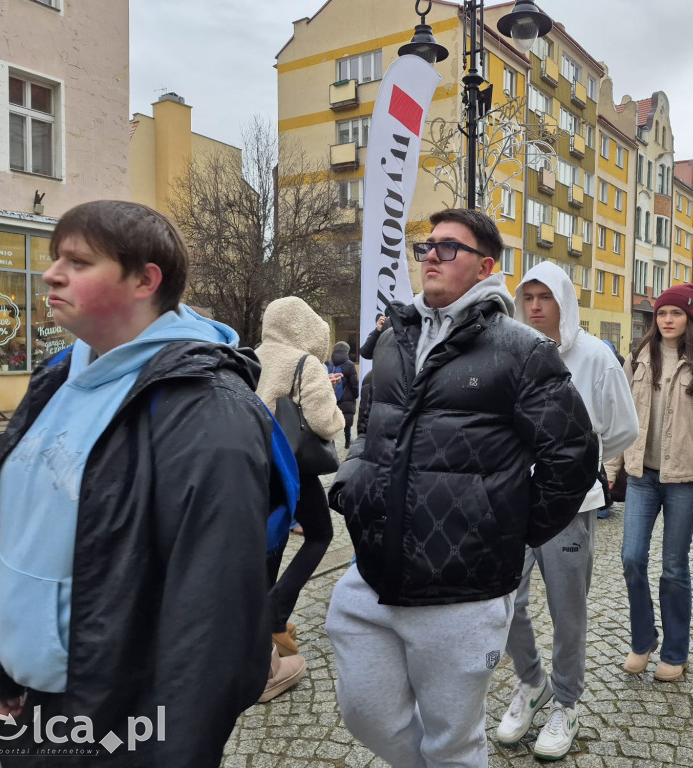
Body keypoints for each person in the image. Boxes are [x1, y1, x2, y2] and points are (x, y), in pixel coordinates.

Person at [0, 200, 270, 766]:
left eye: (78, 261)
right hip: (35, 699)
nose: (52, 273)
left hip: (117, 717)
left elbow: (214, 610)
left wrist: (174, 749)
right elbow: (20, 536)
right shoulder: (57, 375)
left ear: (145, 280)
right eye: (54, 258)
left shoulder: (205, 407)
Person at [325, 209, 598, 768]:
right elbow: (369, 427)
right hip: (373, 571)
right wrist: (353, 479)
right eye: (427, 245)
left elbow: (571, 456)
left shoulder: (522, 350)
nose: (430, 255)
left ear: (485, 267)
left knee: (453, 741)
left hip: (461, 591)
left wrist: (510, 531)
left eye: (449, 248)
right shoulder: (394, 342)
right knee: (363, 712)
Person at [495, 263, 637, 759]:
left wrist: (582, 462)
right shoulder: (508, 351)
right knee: (505, 600)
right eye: (527, 296)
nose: (535, 306)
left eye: (545, 297)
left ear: (564, 301)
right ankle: (532, 682)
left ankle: (567, 702)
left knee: (567, 609)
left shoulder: (595, 356)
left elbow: (622, 428)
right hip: (512, 499)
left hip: (571, 506)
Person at [607, 283, 693, 682]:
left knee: (674, 567)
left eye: (675, 313)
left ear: (690, 319)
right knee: (631, 558)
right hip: (642, 476)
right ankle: (643, 640)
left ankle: (676, 651)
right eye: (662, 313)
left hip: (686, 479)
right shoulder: (638, 359)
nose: (667, 320)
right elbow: (619, 419)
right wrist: (610, 470)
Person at [255, 296, 345, 696]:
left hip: (257, 466)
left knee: (270, 544)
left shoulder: (254, 355)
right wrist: (336, 407)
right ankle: (275, 612)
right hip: (294, 470)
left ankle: (261, 631)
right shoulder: (304, 362)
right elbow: (325, 423)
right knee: (321, 534)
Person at [327, 341, 358, 448]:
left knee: (331, 423)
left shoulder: (327, 363)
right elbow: (354, 383)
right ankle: (348, 442)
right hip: (346, 398)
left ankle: (332, 445)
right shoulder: (349, 365)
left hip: (330, 399)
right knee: (347, 422)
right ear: (347, 351)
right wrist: (355, 395)